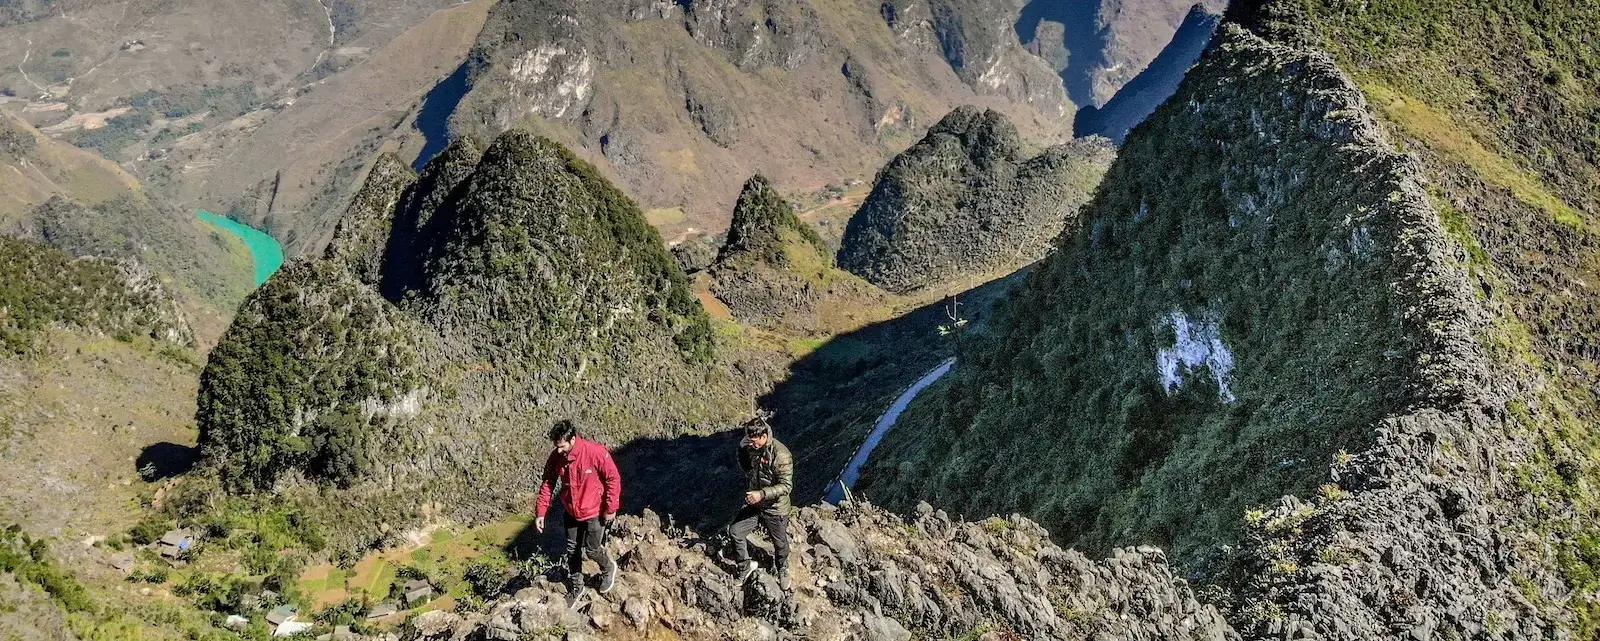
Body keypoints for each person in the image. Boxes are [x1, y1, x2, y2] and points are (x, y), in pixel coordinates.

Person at [534, 419, 621, 605]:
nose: (559, 450)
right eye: (556, 446)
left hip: (594, 511)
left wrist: (611, 508)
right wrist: (541, 512)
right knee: (572, 550)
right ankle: (577, 586)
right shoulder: (556, 457)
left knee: (592, 550)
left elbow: (613, 478)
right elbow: (548, 483)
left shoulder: (595, 452)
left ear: (572, 439)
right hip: (571, 512)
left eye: (562, 446)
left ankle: (608, 568)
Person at [730, 417, 794, 590]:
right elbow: (747, 467)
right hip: (755, 504)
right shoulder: (752, 447)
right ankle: (745, 566)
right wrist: (742, 449)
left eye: (754, 441)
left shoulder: (781, 454)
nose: (752, 445)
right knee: (735, 532)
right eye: (749, 441)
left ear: (764, 436)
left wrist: (762, 494)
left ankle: (783, 568)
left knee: (779, 543)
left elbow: (786, 486)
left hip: (775, 507)